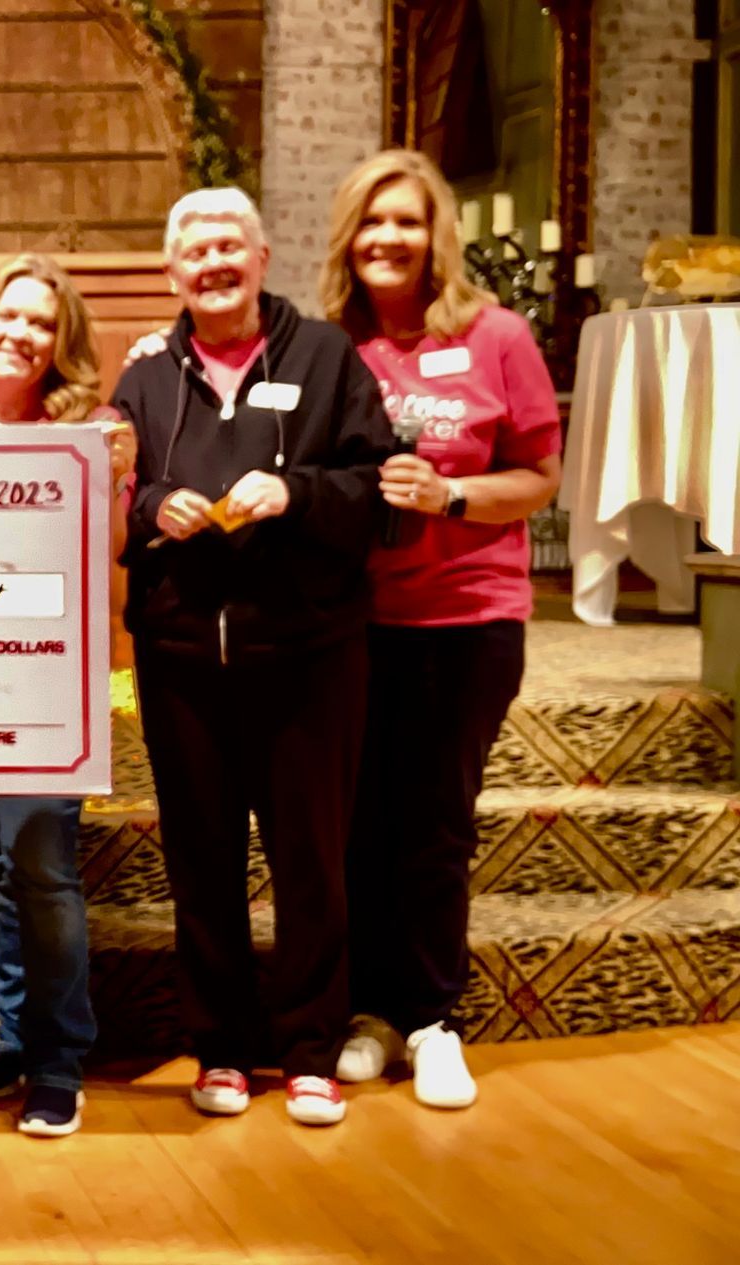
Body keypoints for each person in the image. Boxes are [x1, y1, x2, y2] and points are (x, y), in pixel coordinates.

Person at [113, 188, 394, 1127]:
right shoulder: (147, 372)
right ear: (172, 273)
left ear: (264, 255)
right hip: (183, 653)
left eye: (230, 244)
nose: (214, 263)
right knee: (201, 858)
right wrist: (155, 507)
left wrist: (298, 492)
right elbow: (113, 487)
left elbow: (375, 487)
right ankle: (223, 1047)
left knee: (311, 857)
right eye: (195, 251)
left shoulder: (324, 356)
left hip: (308, 652)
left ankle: (310, 1048)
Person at [321, 151, 562, 1108]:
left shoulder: (495, 335)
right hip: (350, 623)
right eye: (372, 222)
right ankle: (369, 1013)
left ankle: (431, 1017)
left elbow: (541, 475)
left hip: (466, 618)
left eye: (407, 222)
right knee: (355, 823)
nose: (388, 239)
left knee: (431, 822)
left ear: (437, 237)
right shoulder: (325, 341)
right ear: (350, 237)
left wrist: (452, 493)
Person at [0, 253, 135, 1137]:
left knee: (44, 867)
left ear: (63, 341)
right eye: (9, 317)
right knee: (2, 872)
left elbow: (112, 568)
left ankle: (57, 1062)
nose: (22, 334)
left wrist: (116, 474)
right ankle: (16, 1034)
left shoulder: (92, 426)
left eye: (42, 322)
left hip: (49, 677)